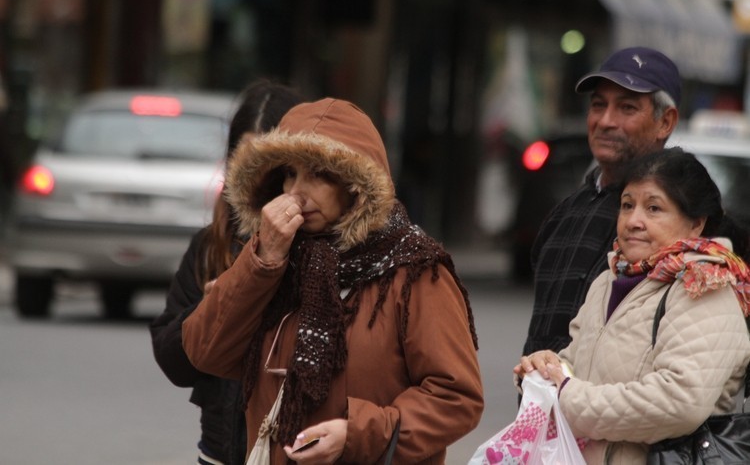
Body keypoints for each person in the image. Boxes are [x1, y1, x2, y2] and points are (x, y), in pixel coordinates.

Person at [181, 97, 483, 464]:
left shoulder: (416, 270)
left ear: (355, 186)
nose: (295, 192)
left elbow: (456, 397)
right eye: (289, 174)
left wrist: (357, 434)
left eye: (318, 175)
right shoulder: (277, 258)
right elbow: (205, 352)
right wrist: (262, 261)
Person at [514, 147, 750, 463]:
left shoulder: (705, 285)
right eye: (627, 205)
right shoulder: (610, 279)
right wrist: (545, 369)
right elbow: (578, 366)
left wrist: (568, 398)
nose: (634, 221)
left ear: (696, 224)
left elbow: (680, 401)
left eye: (653, 208)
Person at [149, 79, 305, 465]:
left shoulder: (323, 246)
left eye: (271, 164)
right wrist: (213, 307)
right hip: (219, 452)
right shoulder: (211, 244)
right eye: (246, 160)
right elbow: (174, 362)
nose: (257, 177)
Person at [522, 46, 681, 356]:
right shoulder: (566, 213)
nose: (606, 121)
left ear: (665, 122)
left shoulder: (681, 222)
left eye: (627, 108)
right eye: (598, 105)